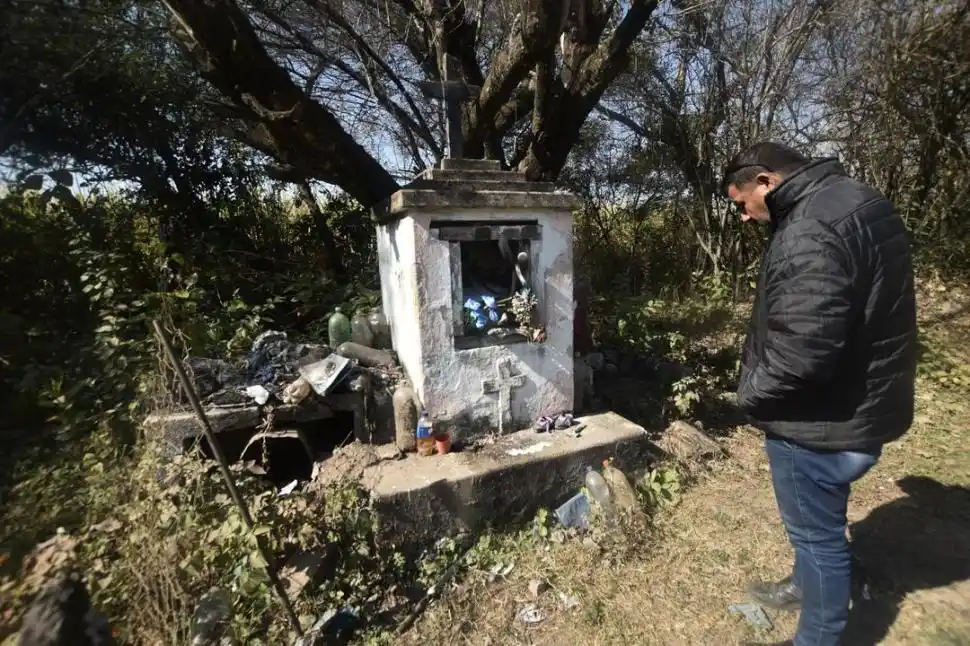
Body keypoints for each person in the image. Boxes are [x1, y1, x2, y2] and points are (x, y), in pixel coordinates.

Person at [721, 142, 918, 646]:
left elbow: (800, 354)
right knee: (819, 526)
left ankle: (818, 637)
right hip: (860, 403)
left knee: (818, 538)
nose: (743, 217)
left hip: (817, 421)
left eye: (741, 203)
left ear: (765, 182)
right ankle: (802, 585)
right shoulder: (858, 199)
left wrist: (751, 398)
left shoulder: (808, 230)